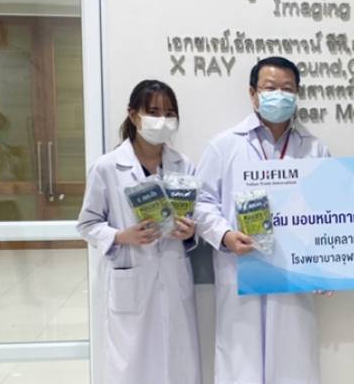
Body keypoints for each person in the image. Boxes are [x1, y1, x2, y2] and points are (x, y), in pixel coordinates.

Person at [195, 56, 330, 384]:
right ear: (253, 93)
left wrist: (326, 264)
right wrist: (225, 235)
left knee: (293, 361)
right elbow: (201, 202)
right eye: (270, 88)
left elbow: (329, 211)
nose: (279, 95)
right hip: (241, 269)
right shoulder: (224, 145)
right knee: (242, 364)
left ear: (297, 95)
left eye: (288, 89)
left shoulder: (314, 150)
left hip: (293, 273)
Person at [77, 80, 201, 384]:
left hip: (173, 275)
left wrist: (189, 232)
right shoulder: (107, 167)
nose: (162, 120)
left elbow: (195, 215)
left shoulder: (183, 165)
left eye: (169, 113)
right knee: (132, 365)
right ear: (133, 115)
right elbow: (87, 224)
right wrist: (122, 236)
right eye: (153, 112)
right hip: (131, 276)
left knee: (177, 363)